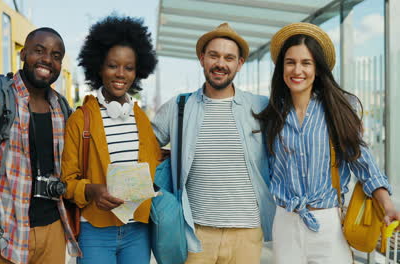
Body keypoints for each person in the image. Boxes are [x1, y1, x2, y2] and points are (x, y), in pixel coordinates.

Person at [253, 22, 400, 264]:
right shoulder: (272, 115)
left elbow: (362, 161)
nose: (297, 70)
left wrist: (386, 202)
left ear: (318, 69)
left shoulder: (338, 108)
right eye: (290, 62)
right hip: (285, 222)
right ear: (281, 68)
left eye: (306, 63)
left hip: (329, 224)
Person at [152, 23, 275, 264]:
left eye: (229, 58)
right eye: (214, 55)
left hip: (247, 233)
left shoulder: (261, 107)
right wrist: (166, 157)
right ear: (202, 59)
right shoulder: (179, 106)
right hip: (194, 231)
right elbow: (144, 146)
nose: (221, 64)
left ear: (239, 64)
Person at [0, 27, 81, 264]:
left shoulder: (61, 107)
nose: (47, 59)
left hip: (52, 232)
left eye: (56, 55)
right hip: (4, 236)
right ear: (23, 54)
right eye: (39, 51)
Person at [61, 16, 160, 264]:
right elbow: (66, 182)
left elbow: (154, 166)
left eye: (129, 67)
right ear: (99, 67)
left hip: (137, 230)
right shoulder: (80, 120)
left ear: (138, 72)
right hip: (94, 231)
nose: (120, 74)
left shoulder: (141, 119)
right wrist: (92, 190)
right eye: (112, 65)